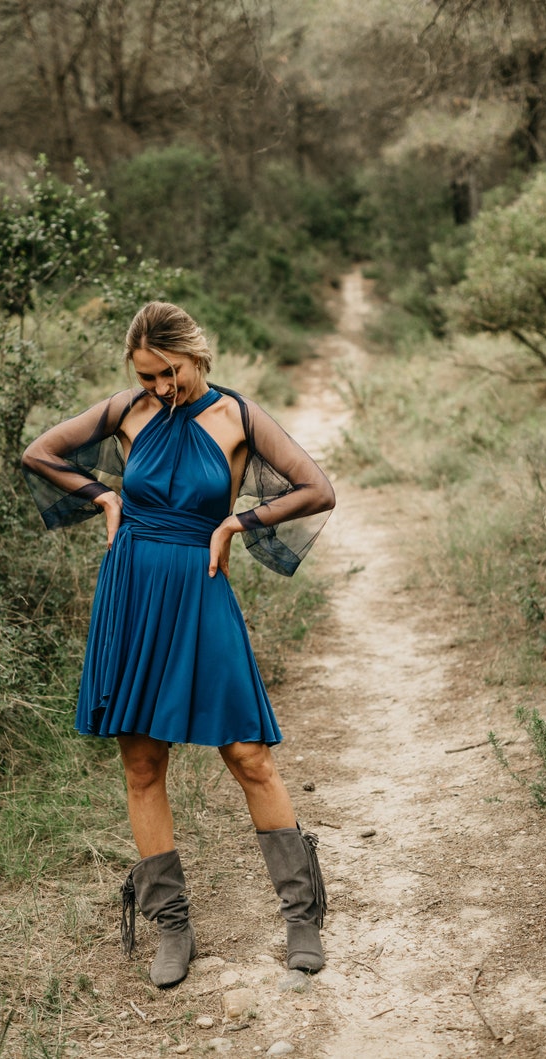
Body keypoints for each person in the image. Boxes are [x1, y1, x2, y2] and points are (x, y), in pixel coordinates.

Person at [22, 301, 335, 989]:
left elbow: (318, 488)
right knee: (140, 762)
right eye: (148, 375)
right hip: (131, 590)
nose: (161, 388)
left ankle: (302, 914)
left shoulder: (238, 418)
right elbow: (39, 452)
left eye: (170, 373)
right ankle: (172, 922)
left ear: (197, 356)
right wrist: (102, 497)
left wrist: (237, 522)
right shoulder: (127, 411)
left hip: (200, 589)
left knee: (248, 753)